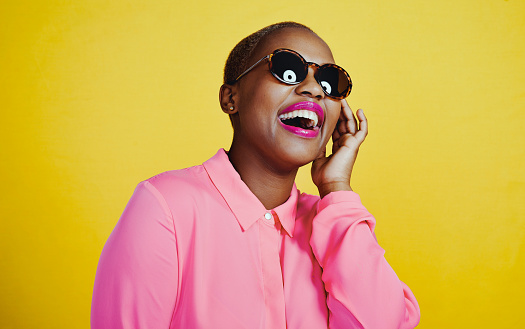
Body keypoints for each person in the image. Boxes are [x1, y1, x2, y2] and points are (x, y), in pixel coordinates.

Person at [91, 21, 421, 329]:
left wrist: (336, 189)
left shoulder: (335, 228)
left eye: (329, 83)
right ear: (230, 97)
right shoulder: (166, 209)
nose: (315, 91)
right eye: (288, 70)